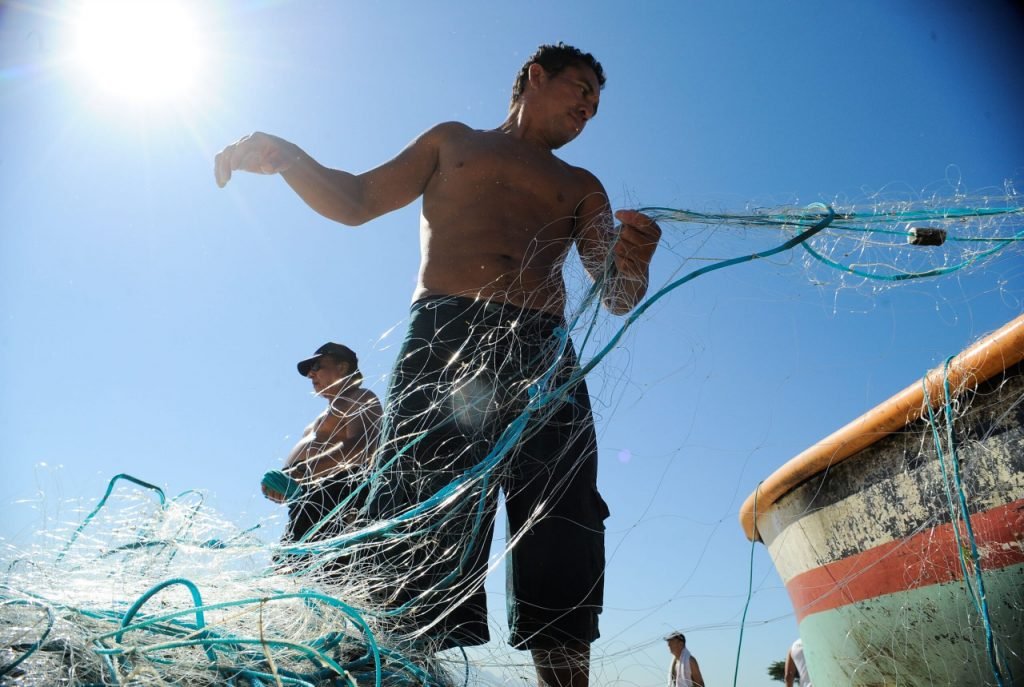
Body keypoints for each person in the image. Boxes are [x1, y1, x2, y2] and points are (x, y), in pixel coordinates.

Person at [215, 43, 661, 687]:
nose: (589, 106)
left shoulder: (582, 185)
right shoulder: (453, 141)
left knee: (563, 512)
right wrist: (289, 157)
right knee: (422, 502)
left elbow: (615, 295)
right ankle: (396, 669)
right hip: (445, 335)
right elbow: (357, 199)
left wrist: (637, 260)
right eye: (580, 88)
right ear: (535, 77)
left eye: (596, 100)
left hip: (544, 350)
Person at [262, 342, 382, 574]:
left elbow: (362, 445)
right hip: (310, 503)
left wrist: (300, 471)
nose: (310, 374)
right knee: (292, 570)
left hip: (341, 500)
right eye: (309, 370)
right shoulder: (318, 420)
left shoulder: (359, 396)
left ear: (343, 367)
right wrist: (279, 485)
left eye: (318, 366)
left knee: (299, 573)